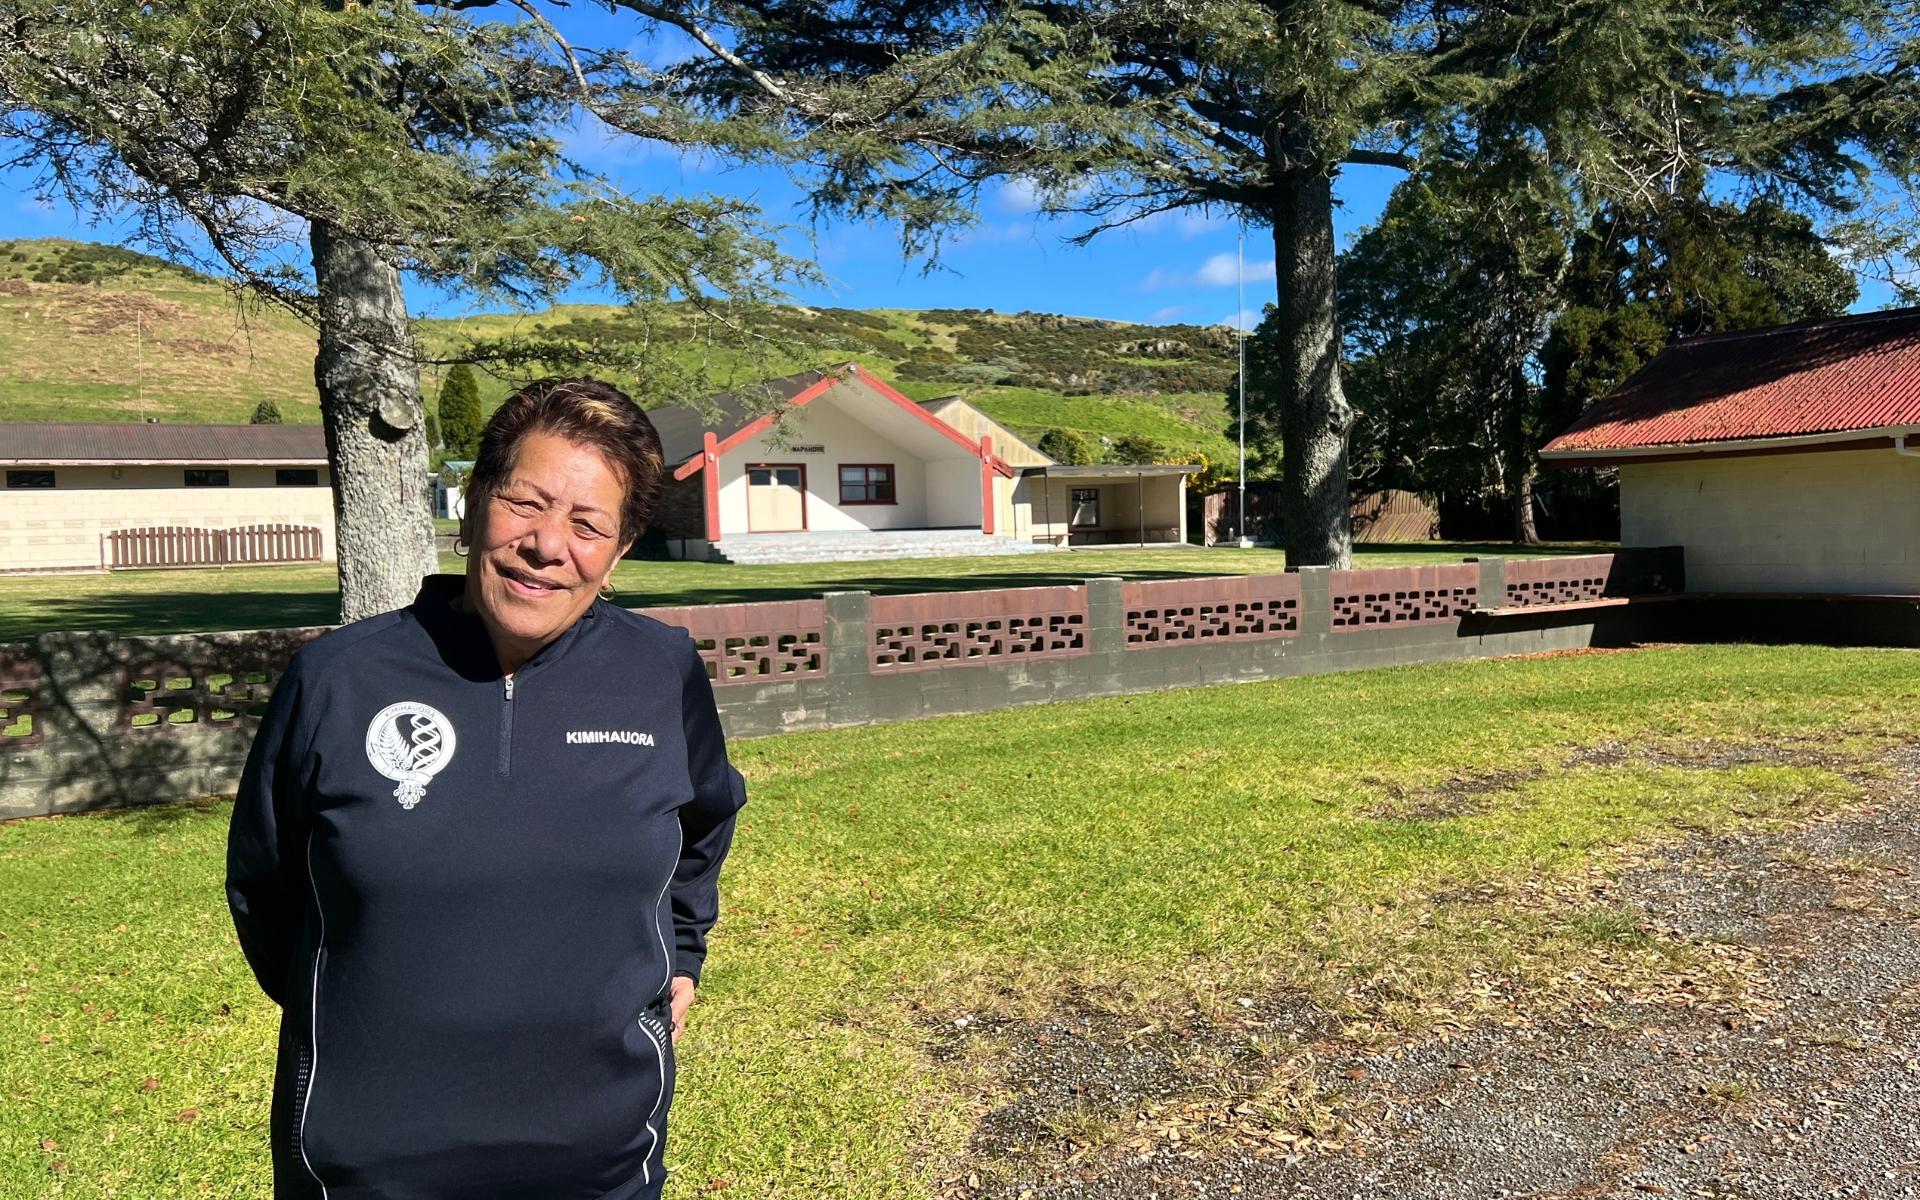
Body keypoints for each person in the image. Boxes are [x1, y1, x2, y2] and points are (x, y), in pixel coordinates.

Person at [226, 377, 748, 1200]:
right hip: (366, 1168)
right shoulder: (338, 679)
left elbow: (703, 825)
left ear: (620, 550)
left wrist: (682, 950)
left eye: (588, 524)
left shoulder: (661, 671)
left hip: (599, 1164)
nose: (548, 545)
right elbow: (267, 885)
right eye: (525, 503)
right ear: (474, 503)